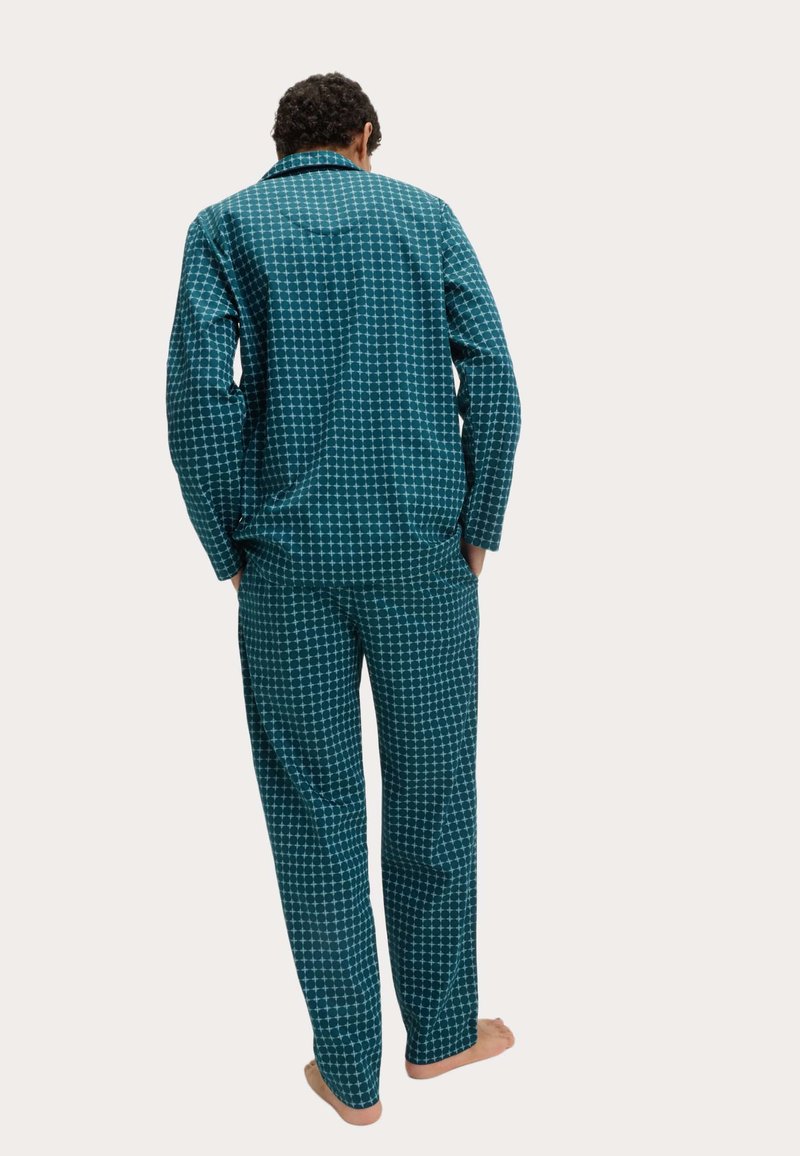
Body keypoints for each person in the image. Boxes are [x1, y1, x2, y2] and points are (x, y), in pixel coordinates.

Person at [166, 71, 521, 1126]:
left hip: (285, 567)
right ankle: (442, 1036)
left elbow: (197, 397)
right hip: (423, 561)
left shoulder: (223, 227)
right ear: (365, 136)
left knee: (312, 813)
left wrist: (227, 540)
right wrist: (479, 523)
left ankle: (350, 1072)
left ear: (281, 142)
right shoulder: (425, 216)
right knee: (434, 795)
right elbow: (496, 380)